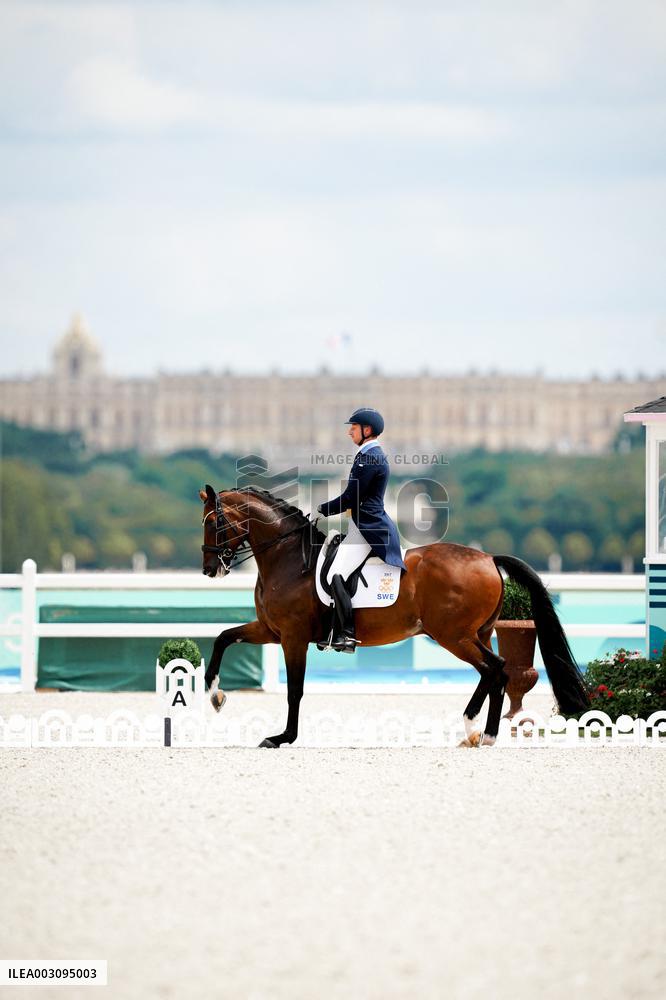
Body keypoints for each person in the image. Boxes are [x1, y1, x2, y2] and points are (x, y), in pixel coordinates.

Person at [316, 407, 407, 652]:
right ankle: (335, 628)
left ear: (367, 430)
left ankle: (346, 634)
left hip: (368, 529)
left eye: (353, 428)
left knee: (335, 574)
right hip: (361, 525)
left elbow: (350, 498)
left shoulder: (370, 458)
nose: (349, 432)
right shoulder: (366, 455)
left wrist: (321, 510)